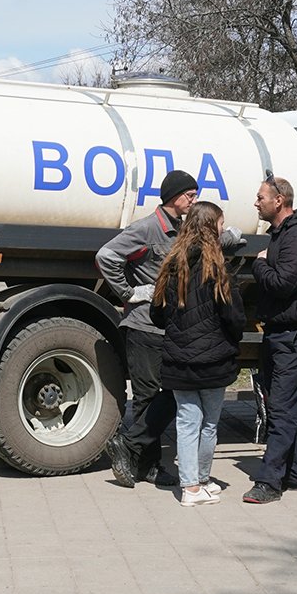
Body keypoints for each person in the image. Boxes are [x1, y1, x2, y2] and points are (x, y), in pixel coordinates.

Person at [95, 169, 208, 488]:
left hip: (169, 327)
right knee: (147, 396)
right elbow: (107, 255)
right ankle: (147, 464)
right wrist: (129, 292)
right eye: (190, 195)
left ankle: (134, 452)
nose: (194, 199)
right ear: (174, 197)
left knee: (168, 393)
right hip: (144, 326)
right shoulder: (147, 228)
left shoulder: (181, 229)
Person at [149, 201, 247, 507]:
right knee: (209, 423)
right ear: (210, 228)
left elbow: (156, 314)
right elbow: (234, 317)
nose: (222, 228)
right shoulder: (218, 269)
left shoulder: (171, 265)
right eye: (220, 224)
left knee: (187, 421)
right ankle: (199, 481)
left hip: (179, 359)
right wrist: (231, 340)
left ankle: (192, 485)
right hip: (215, 360)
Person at [244, 176, 297, 505]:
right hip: (281, 329)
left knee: (280, 407)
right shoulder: (282, 234)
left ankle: (269, 481)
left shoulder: (296, 235)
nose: (256, 202)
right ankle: (295, 474)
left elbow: (282, 284)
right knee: (288, 404)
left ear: (279, 201)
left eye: (261, 197)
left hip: (294, 333)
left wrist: (260, 264)